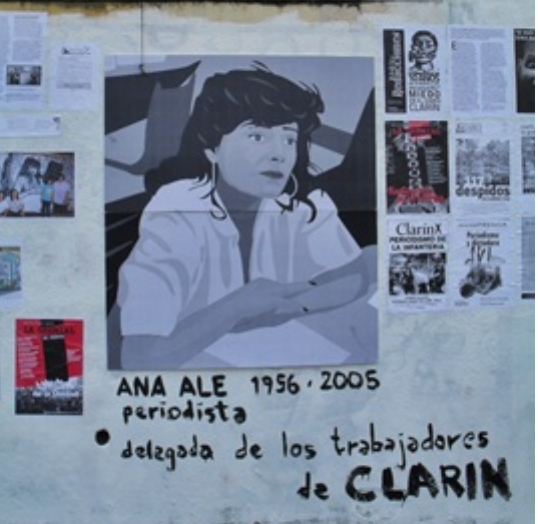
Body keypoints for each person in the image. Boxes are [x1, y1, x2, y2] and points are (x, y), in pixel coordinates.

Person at [117, 64, 373, 370]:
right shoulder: (174, 211)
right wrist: (236, 307)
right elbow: (140, 357)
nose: (279, 154)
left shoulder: (304, 201)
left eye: (289, 140)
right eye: (257, 136)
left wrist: (291, 308)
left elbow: (353, 277)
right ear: (212, 147)